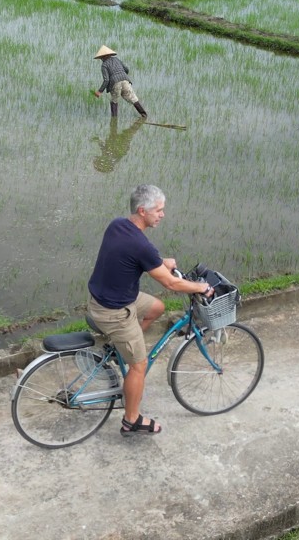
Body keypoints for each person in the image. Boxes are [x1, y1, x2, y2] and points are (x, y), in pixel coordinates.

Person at [87, 185, 213, 435]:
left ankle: (123, 349)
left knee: (157, 307)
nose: (162, 214)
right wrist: (200, 287)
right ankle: (131, 420)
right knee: (139, 366)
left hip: (108, 299)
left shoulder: (118, 225)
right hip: (114, 311)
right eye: (159, 210)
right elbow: (171, 282)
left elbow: (136, 254)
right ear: (142, 211)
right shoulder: (140, 245)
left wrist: (161, 261)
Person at [92, 45, 147, 119]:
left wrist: (99, 91)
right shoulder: (116, 59)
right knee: (133, 98)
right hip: (125, 80)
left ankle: (114, 120)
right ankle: (144, 114)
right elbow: (126, 69)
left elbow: (106, 80)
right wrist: (122, 76)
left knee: (114, 100)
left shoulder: (104, 65)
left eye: (101, 57)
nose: (101, 59)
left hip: (115, 83)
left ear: (103, 57)